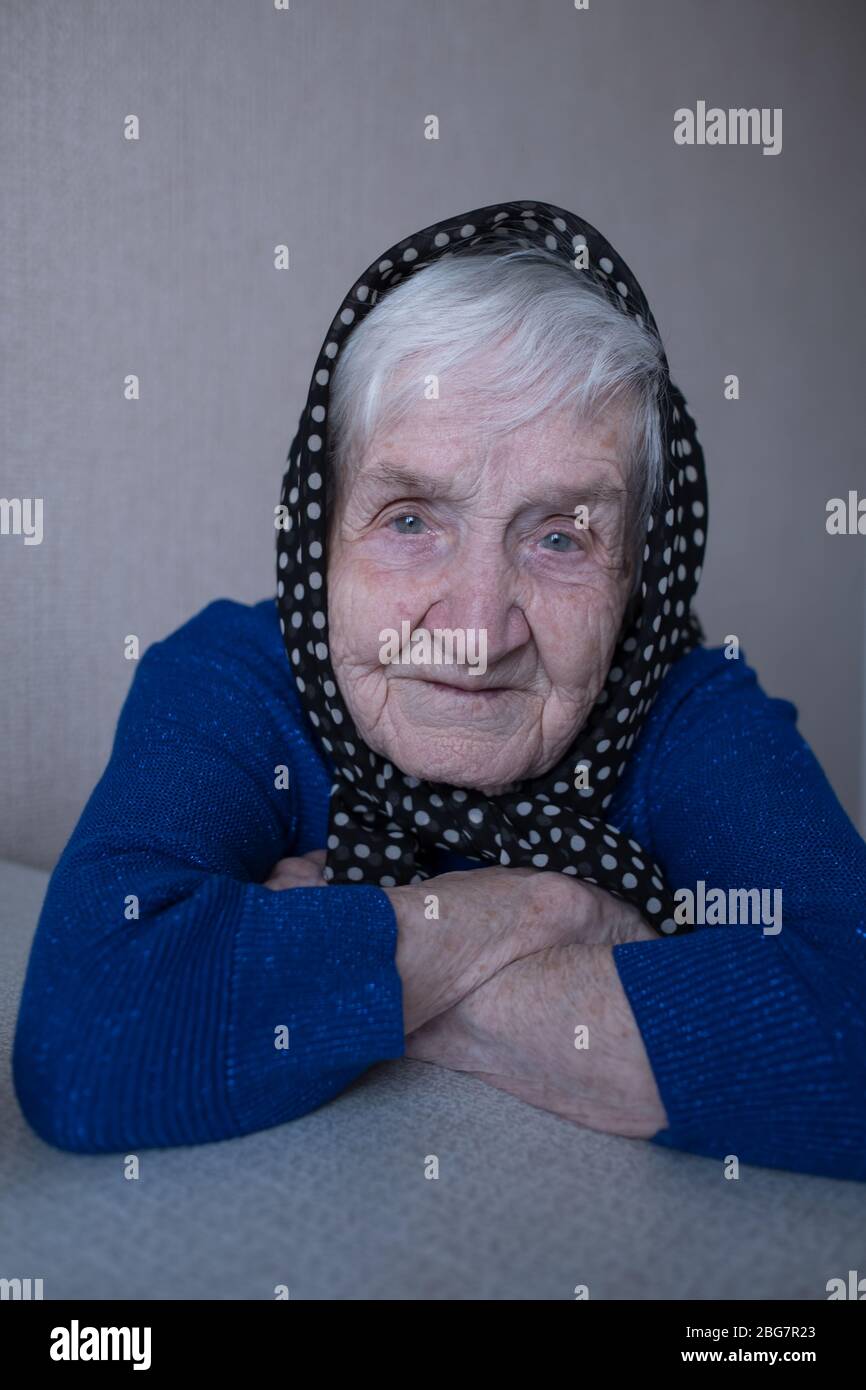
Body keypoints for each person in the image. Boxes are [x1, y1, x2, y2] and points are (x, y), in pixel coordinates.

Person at [14, 200, 866, 1179]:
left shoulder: (680, 711)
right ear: (319, 535)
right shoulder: (233, 678)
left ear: (632, 576)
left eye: (559, 538)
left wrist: (352, 955)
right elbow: (91, 1033)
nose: (477, 629)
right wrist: (536, 913)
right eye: (411, 518)